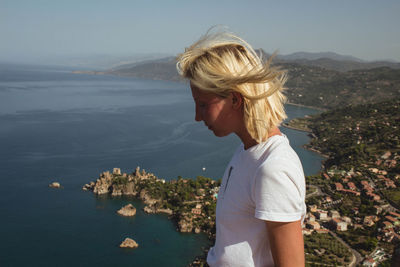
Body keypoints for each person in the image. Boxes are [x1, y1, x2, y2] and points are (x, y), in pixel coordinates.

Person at [176, 30, 306, 267]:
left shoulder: (273, 168)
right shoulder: (248, 153)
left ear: (235, 100)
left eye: (203, 105)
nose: (197, 116)